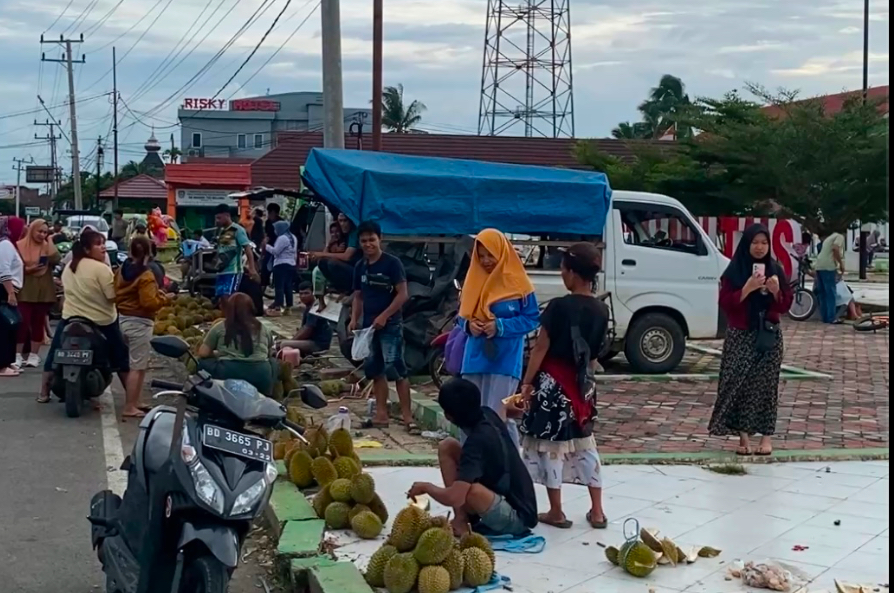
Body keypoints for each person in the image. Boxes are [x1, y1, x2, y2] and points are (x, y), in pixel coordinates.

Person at [518, 243, 609, 529]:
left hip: (553, 386)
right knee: (585, 444)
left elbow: (541, 347)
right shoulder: (601, 310)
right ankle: (597, 511)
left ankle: (556, 511)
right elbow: (594, 355)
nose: (561, 274)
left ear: (572, 273)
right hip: (582, 387)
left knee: (551, 447)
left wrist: (527, 383)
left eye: (563, 269)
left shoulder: (558, 307)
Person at [408, 378, 538, 537]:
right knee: (447, 446)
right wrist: (511, 407)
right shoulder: (487, 413)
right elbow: (502, 412)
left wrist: (426, 487)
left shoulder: (476, 444)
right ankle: (461, 520)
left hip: (518, 518)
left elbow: (454, 498)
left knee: (469, 490)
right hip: (509, 496)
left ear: (449, 416)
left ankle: (465, 523)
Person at [709, 224, 793, 456]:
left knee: (766, 386)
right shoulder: (734, 271)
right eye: (754, 242)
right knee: (739, 384)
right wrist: (746, 290)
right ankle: (743, 437)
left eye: (764, 243)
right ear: (746, 244)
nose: (759, 247)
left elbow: (785, 305)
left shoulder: (776, 269)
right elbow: (725, 303)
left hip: (768, 334)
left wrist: (776, 292)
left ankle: (766, 438)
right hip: (740, 334)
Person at [457, 228, 540, 448]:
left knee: (498, 416)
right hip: (474, 358)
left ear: (502, 253)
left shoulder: (519, 284)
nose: (485, 261)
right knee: (469, 414)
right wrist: (468, 325)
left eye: (490, 255)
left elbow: (532, 318)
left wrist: (501, 326)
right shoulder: (473, 280)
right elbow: (460, 316)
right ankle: (471, 464)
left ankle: (510, 467)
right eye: (481, 256)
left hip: (505, 360)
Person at [39, 230, 130, 403]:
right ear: (87, 249)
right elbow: (111, 297)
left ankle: (43, 392)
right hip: (101, 321)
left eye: (103, 243)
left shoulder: (70, 266)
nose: (103, 247)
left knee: (54, 354)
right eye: (98, 244)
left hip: (70, 318)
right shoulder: (102, 269)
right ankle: (132, 400)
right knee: (120, 357)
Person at [348, 221, 417, 433]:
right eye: (364, 241)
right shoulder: (360, 266)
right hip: (369, 327)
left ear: (380, 240)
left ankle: (407, 417)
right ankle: (380, 414)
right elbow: (358, 296)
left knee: (395, 368)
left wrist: (385, 316)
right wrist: (354, 319)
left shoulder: (392, 264)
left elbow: (403, 294)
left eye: (372, 240)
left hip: (391, 325)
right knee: (375, 369)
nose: (368, 244)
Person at [115, 237, 171, 418]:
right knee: (137, 367)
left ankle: (136, 401)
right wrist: (164, 298)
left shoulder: (122, 270)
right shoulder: (145, 275)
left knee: (137, 365)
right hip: (139, 323)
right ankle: (130, 406)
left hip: (123, 318)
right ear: (149, 253)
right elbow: (148, 303)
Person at [197, 293, 277, 396]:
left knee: (202, 363)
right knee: (273, 362)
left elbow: (203, 353)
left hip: (228, 373)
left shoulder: (220, 327)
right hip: (260, 375)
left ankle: (207, 394)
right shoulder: (263, 328)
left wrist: (218, 354)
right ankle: (269, 393)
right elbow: (270, 352)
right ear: (251, 309)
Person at [15, 219, 61, 368]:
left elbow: (56, 259)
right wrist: (28, 270)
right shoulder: (19, 246)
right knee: (22, 322)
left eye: (45, 232)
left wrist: (50, 241)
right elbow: (13, 266)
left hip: (43, 289)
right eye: (39, 231)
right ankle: (17, 355)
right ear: (31, 230)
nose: (42, 235)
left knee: (38, 323)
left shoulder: (47, 247)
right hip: (25, 289)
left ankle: (34, 355)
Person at [213, 204, 260, 301]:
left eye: (219, 218)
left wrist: (251, 268)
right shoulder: (221, 231)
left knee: (229, 298)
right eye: (216, 218)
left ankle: (233, 316)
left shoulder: (238, 230)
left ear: (227, 215)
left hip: (233, 271)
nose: (217, 221)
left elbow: (247, 248)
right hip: (221, 271)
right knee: (221, 298)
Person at [0, 217, 26, 377]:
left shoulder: (8, 244)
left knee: (11, 326)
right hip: (5, 289)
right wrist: (10, 292)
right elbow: (4, 271)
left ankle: (7, 362)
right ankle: (2, 365)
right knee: (5, 326)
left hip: (8, 288)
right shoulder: (5, 245)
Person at [279, 282, 333, 356]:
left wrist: (291, 341)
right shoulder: (309, 307)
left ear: (313, 293)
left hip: (318, 344)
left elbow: (307, 330)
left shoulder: (315, 308)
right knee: (281, 343)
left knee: (284, 344)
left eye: (306, 293)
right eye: (301, 294)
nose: (303, 296)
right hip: (311, 340)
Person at [312, 213, 359, 294]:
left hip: (356, 270)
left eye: (345, 221)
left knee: (332, 263)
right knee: (322, 262)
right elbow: (325, 255)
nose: (343, 224)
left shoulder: (354, 234)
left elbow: (346, 256)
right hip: (345, 268)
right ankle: (337, 288)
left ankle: (348, 290)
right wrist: (328, 245)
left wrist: (321, 254)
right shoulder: (341, 236)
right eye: (340, 221)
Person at [312, 222, 347, 310]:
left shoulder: (344, 243)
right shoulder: (332, 243)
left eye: (337, 232)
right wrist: (328, 245)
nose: (334, 234)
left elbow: (339, 256)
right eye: (332, 232)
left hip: (339, 269)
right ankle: (320, 300)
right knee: (316, 271)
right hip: (329, 267)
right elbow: (323, 255)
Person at [266, 220, 298, 316]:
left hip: (281, 264)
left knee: (279, 286)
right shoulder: (293, 237)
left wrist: (266, 246)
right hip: (291, 264)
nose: (275, 230)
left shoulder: (282, 238)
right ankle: (289, 307)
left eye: (276, 228)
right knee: (288, 286)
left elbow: (276, 251)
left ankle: (278, 306)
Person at [814, 229, 846, 324]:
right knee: (830, 293)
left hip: (819, 265)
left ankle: (825, 317)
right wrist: (841, 264)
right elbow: (835, 248)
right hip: (828, 266)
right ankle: (831, 317)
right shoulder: (839, 236)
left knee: (822, 293)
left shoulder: (829, 238)